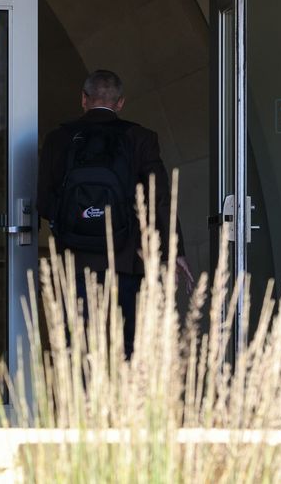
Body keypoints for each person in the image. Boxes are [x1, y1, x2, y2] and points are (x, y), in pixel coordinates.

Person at [37, 69, 194, 357]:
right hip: (127, 261)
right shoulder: (141, 138)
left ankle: (79, 401)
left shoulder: (58, 139)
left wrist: (77, 226)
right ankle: (123, 401)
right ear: (120, 103)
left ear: (83, 98)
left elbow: (44, 203)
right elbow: (158, 198)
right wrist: (175, 250)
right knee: (131, 348)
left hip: (75, 262)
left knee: (74, 350)